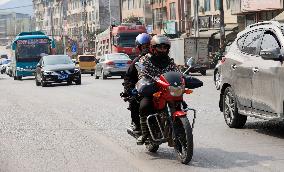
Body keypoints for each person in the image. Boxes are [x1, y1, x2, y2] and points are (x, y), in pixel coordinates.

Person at [137, 34, 179, 145]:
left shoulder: (170, 61)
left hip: (167, 90)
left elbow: (177, 73)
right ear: (153, 48)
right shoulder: (145, 59)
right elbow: (142, 74)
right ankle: (145, 134)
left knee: (180, 103)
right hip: (152, 89)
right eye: (160, 47)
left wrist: (183, 78)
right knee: (144, 106)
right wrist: (145, 82)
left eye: (165, 47)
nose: (162, 50)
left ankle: (179, 128)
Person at [122, 33, 152, 134]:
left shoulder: (161, 58)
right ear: (140, 48)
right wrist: (129, 89)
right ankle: (138, 125)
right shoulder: (137, 61)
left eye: (149, 46)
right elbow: (128, 77)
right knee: (134, 101)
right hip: (145, 88)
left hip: (161, 88)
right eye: (144, 47)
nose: (147, 49)